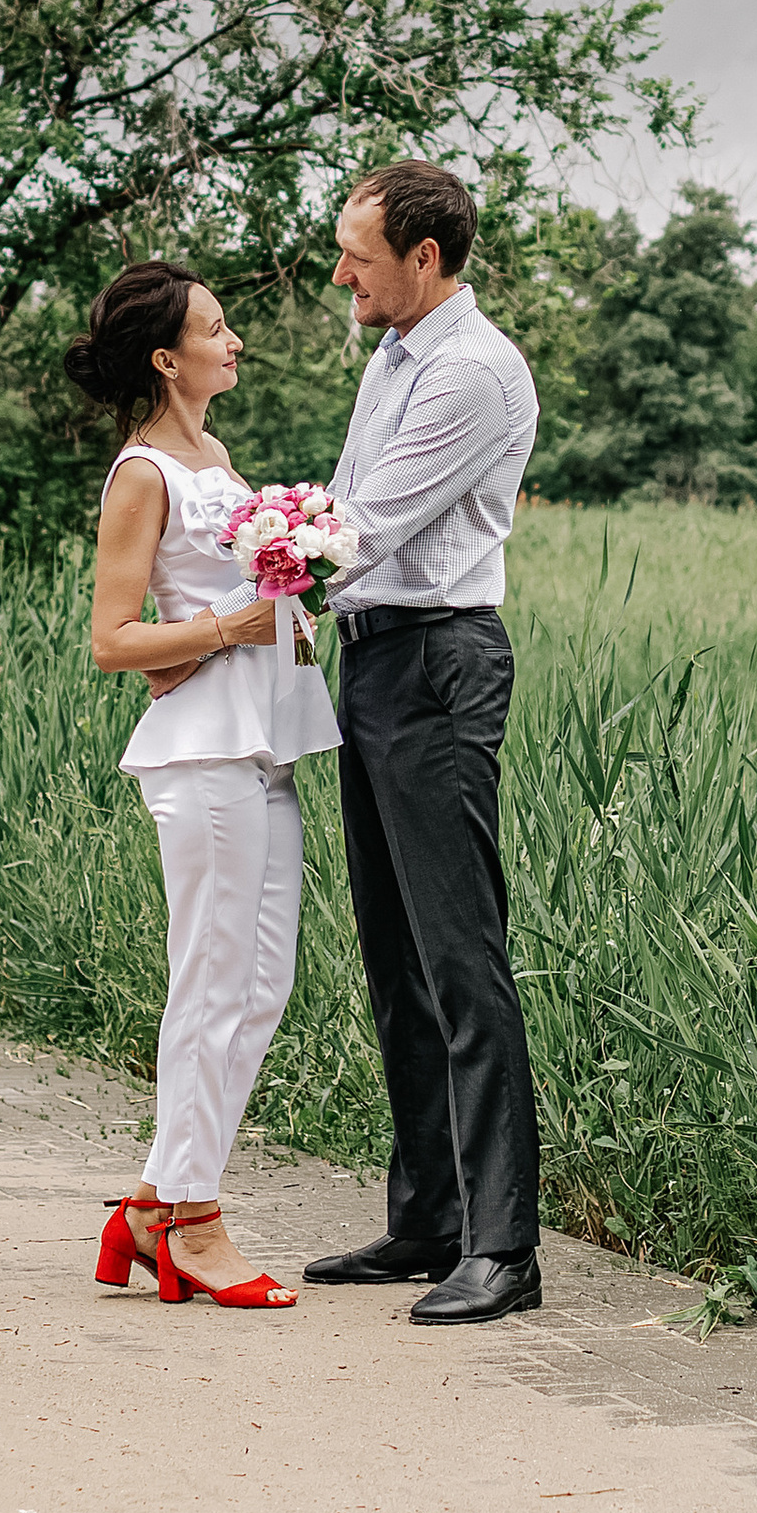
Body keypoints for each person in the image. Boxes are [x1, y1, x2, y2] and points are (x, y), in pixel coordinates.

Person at [71, 255, 340, 1311]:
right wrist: (232, 624)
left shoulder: (215, 458)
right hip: (201, 753)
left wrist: (299, 585)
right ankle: (193, 1220)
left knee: (260, 987)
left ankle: (151, 1207)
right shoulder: (143, 474)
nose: (234, 342)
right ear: (164, 358)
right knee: (211, 983)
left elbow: (242, 606)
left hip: (261, 741)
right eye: (214, 329)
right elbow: (112, 639)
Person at [302, 161, 544, 1323]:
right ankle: (428, 1221)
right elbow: (344, 504)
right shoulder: (393, 356)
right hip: (375, 661)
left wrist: (231, 575)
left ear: (425, 257)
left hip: (440, 661)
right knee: (394, 955)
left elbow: (360, 527)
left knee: (459, 956)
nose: (338, 273)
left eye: (357, 255)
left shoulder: (471, 374)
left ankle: (502, 1249)